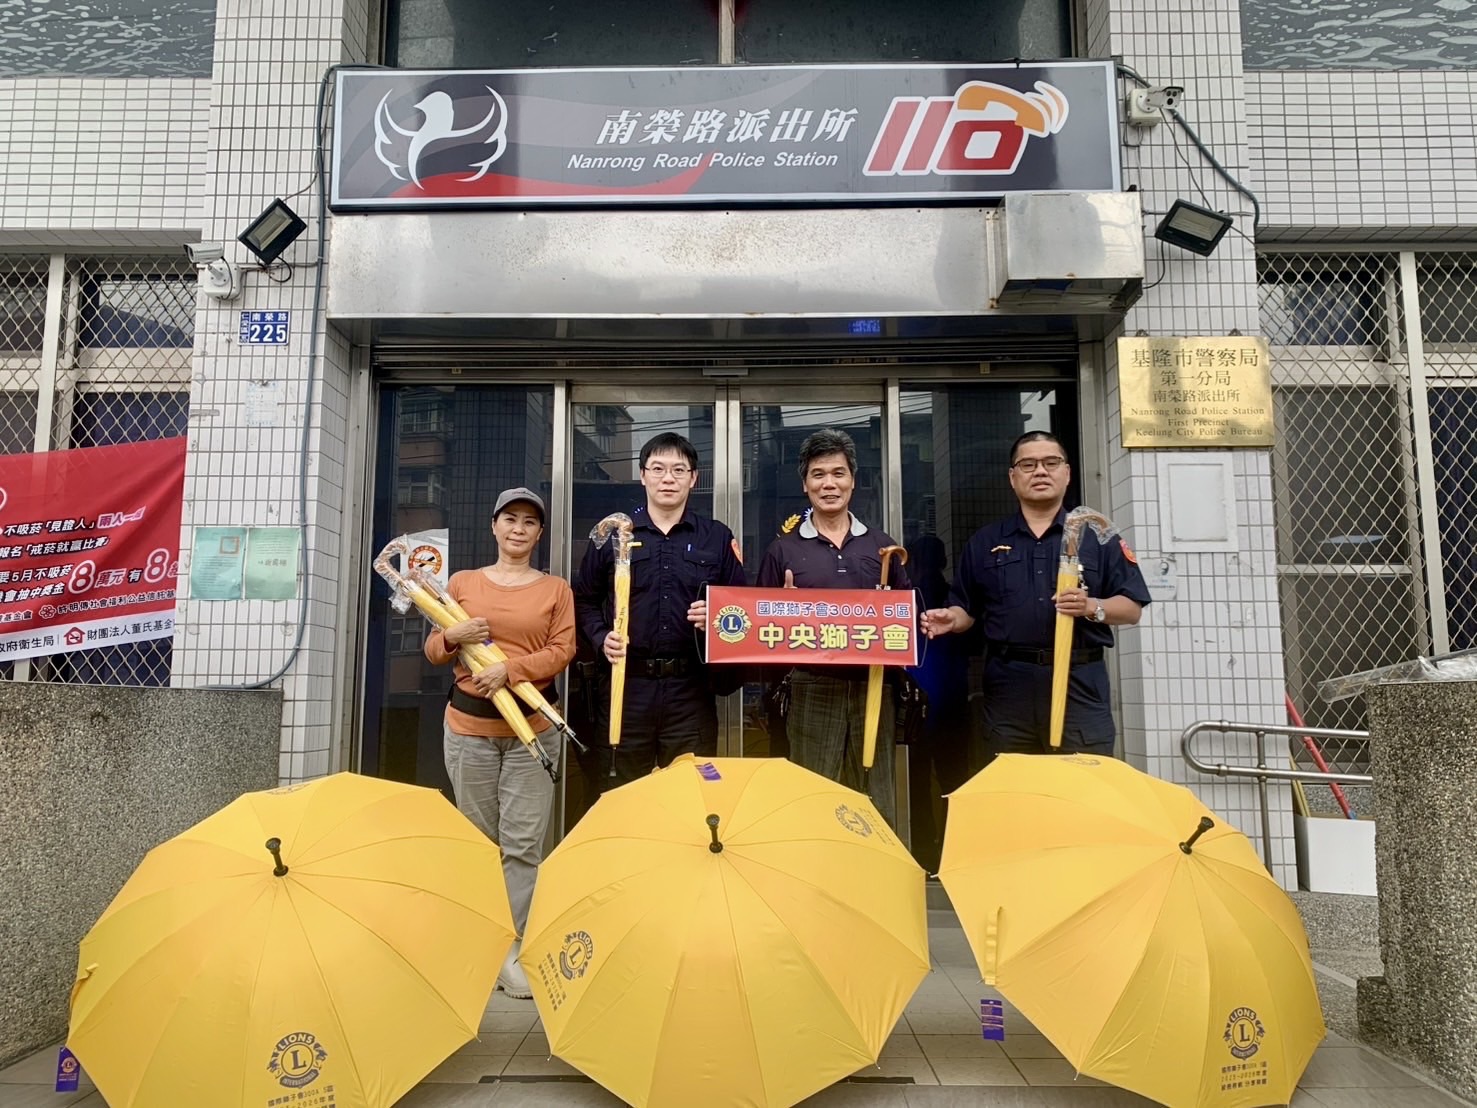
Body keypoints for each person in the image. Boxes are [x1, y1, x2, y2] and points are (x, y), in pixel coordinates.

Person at [424, 486, 575, 999]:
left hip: (533, 731)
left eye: (529, 522)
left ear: (539, 533)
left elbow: (563, 650)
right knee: (479, 842)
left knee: (522, 845)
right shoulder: (462, 583)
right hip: (469, 730)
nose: (518, 529)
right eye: (510, 519)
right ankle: (478, 945)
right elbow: (434, 650)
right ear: (494, 526)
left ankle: (512, 949)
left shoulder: (555, 589)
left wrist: (510, 670)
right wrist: (454, 635)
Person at [922, 431, 1150, 758]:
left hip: (1079, 684)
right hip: (1009, 687)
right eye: (1028, 465)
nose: (1040, 471)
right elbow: (965, 609)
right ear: (1012, 477)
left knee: (1081, 784)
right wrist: (950, 619)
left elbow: (1131, 608)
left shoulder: (1097, 537)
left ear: (1067, 473)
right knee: (1014, 783)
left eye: (1050, 463)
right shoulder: (986, 541)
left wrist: (1091, 606)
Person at [757, 428, 910, 825]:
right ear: (805, 484)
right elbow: (760, 628)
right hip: (811, 685)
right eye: (818, 474)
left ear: (852, 480)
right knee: (814, 797)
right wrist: (784, 612)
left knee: (875, 799)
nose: (829, 484)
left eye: (838, 473)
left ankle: (876, 866)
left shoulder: (881, 547)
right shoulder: (783, 550)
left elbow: (904, 617)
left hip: (873, 685)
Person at [574, 432, 746, 783]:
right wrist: (601, 636)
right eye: (658, 468)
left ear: (693, 478)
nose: (668, 478)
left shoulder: (716, 537)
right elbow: (583, 599)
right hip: (627, 687)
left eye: (679, 470)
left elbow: (741, 609)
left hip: (690, 690)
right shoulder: (615, 536)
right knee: (621, 792)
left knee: (691, 793)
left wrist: (716, 616)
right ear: (643, 475)